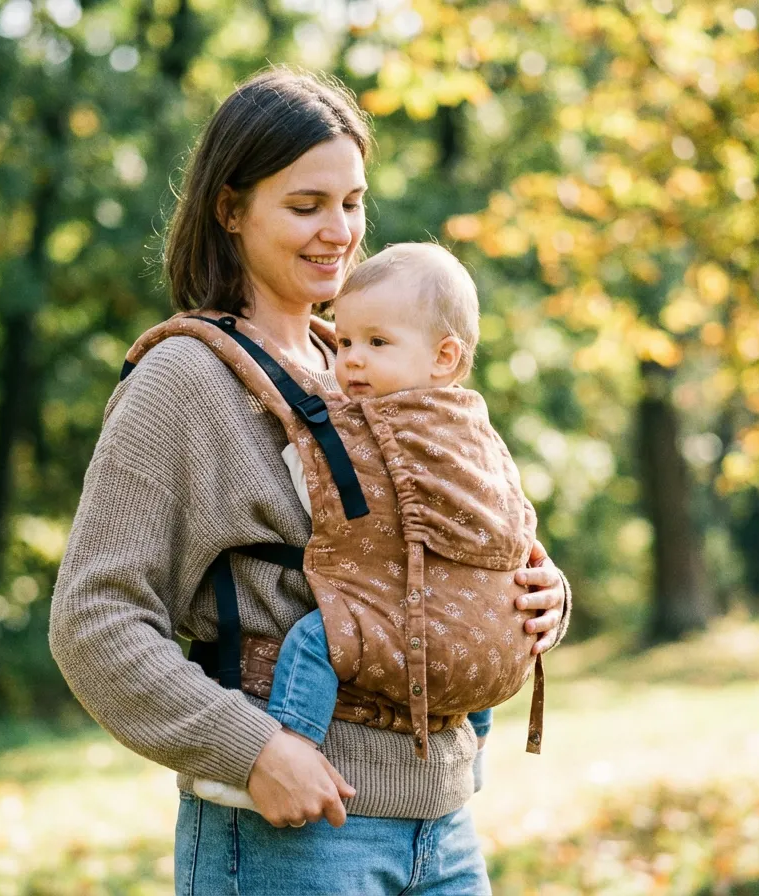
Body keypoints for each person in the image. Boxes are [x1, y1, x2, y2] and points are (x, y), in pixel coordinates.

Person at [49, 68, 571, 896]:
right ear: (231, 209)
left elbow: (447, 542)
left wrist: (540, 592)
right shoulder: (184, 380)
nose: (339, 231)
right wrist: (252, 751)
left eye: (353, 203)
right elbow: (94, 618)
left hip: (444, 824)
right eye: (306, 205)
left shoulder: (367, 365)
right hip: (289, 842)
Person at [191, 242, 538, 811]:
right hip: (487, 635)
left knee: (315, 638)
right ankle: (473, 753)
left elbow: (319, 488)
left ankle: (289, 748)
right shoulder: (476, 429)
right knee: (475, 635)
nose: (349, 359)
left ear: (444, 357)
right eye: (345, 340)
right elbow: (513, 519)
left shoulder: (375, 423)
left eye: (376, 343)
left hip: (413, 620)